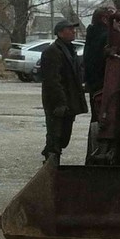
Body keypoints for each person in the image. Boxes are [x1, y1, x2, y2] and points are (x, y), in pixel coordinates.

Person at [40, 19, 88, 164]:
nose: (73, 31)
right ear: (60, 33)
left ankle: (52, 159)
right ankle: (51, 165)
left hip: (69, 101)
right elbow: (52, 80)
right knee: (55, 135)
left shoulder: (70, 50)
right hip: (57, 103)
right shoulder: (52, 52)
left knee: (64, 137)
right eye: (69, 29)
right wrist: (60, 103)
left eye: (73, 29)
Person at [84, 1, 116, 107]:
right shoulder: (107, 36)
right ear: (104, 19)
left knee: (96, 109)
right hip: (104, 80)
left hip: (93, 80)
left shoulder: (91, 34)